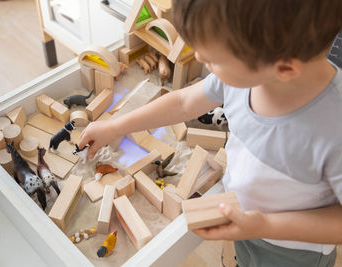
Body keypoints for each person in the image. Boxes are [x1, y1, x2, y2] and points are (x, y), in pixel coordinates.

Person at [78, 0, 342, 266]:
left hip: (294, 253)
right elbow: (182, 103)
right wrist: (115, 126)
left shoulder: (334, 127)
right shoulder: (246, 77)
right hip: (248, 225)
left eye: (214, 59)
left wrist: (264, 225)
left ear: (284, 68)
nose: (202, 60)